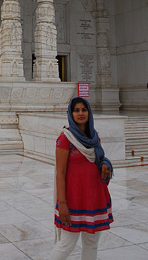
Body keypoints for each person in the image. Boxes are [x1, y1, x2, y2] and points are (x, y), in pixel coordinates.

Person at [51, 97, 113, 260]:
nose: (80, 113)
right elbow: (61, 172)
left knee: (91, 243)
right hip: (73, 199)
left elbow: (100, 158)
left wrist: (105, 164)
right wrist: (62, 203)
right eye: (76, 110)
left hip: (94, 197)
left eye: (84, 110)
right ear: (71, 114)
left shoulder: (94, 137)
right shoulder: (65, 138)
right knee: (66, 245)